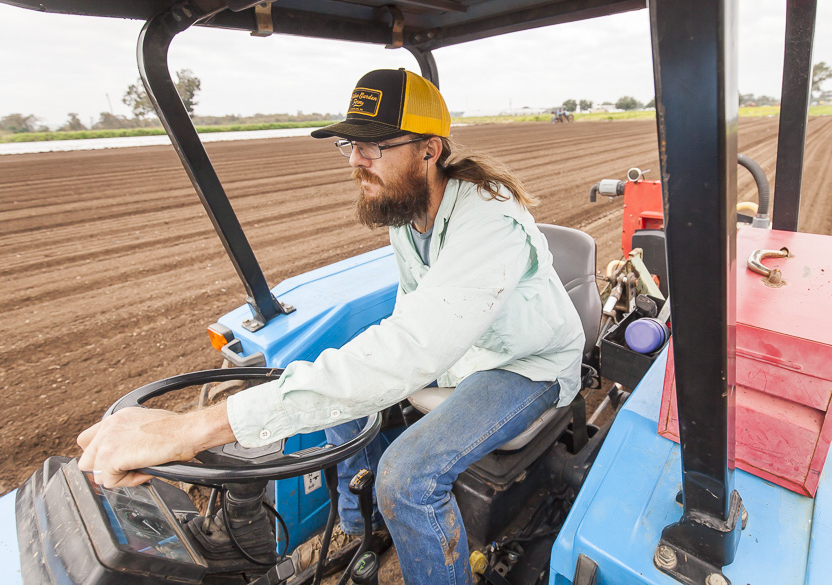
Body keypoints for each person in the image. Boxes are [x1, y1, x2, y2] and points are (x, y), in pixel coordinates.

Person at [77, 68, 585, 584]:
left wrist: (192, 429)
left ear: (429, 150)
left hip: (524, 364)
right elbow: (415, 312)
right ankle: (359, 525)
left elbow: (415, 346)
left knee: (407, 475)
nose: (357, 161)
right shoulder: (408, 212)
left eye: (375, 146)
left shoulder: (488, 220)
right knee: (340, 392)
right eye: (349, 144)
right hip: (460, 351)